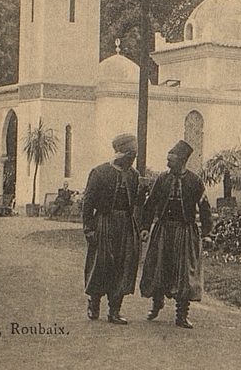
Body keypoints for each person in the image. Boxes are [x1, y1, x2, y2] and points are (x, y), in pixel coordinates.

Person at [139, 140, 213, 328]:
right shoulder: (162, 179)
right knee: (159, 268)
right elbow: (150, 205)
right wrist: (145, 227)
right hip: (163, 231)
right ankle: (156, 305)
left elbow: (204, 208)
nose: (167, 164)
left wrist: (206, 232)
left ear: (181, 161)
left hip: (185, 231)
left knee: (184, 274)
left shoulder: (195, 181)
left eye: (171, 161)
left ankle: (181, 315)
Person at [82, 133, 141, 324]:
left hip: (125, 225)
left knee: (123, 266)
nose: (132, 160)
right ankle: (94, 302)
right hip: (105, 223)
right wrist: (88, 228)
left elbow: (136, 202)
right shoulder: (99, 172)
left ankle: (114, 310)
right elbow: (88, 202)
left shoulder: (134, 176)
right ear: (121, 154)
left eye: (134, 156)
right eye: (130, 156)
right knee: (101, 264)